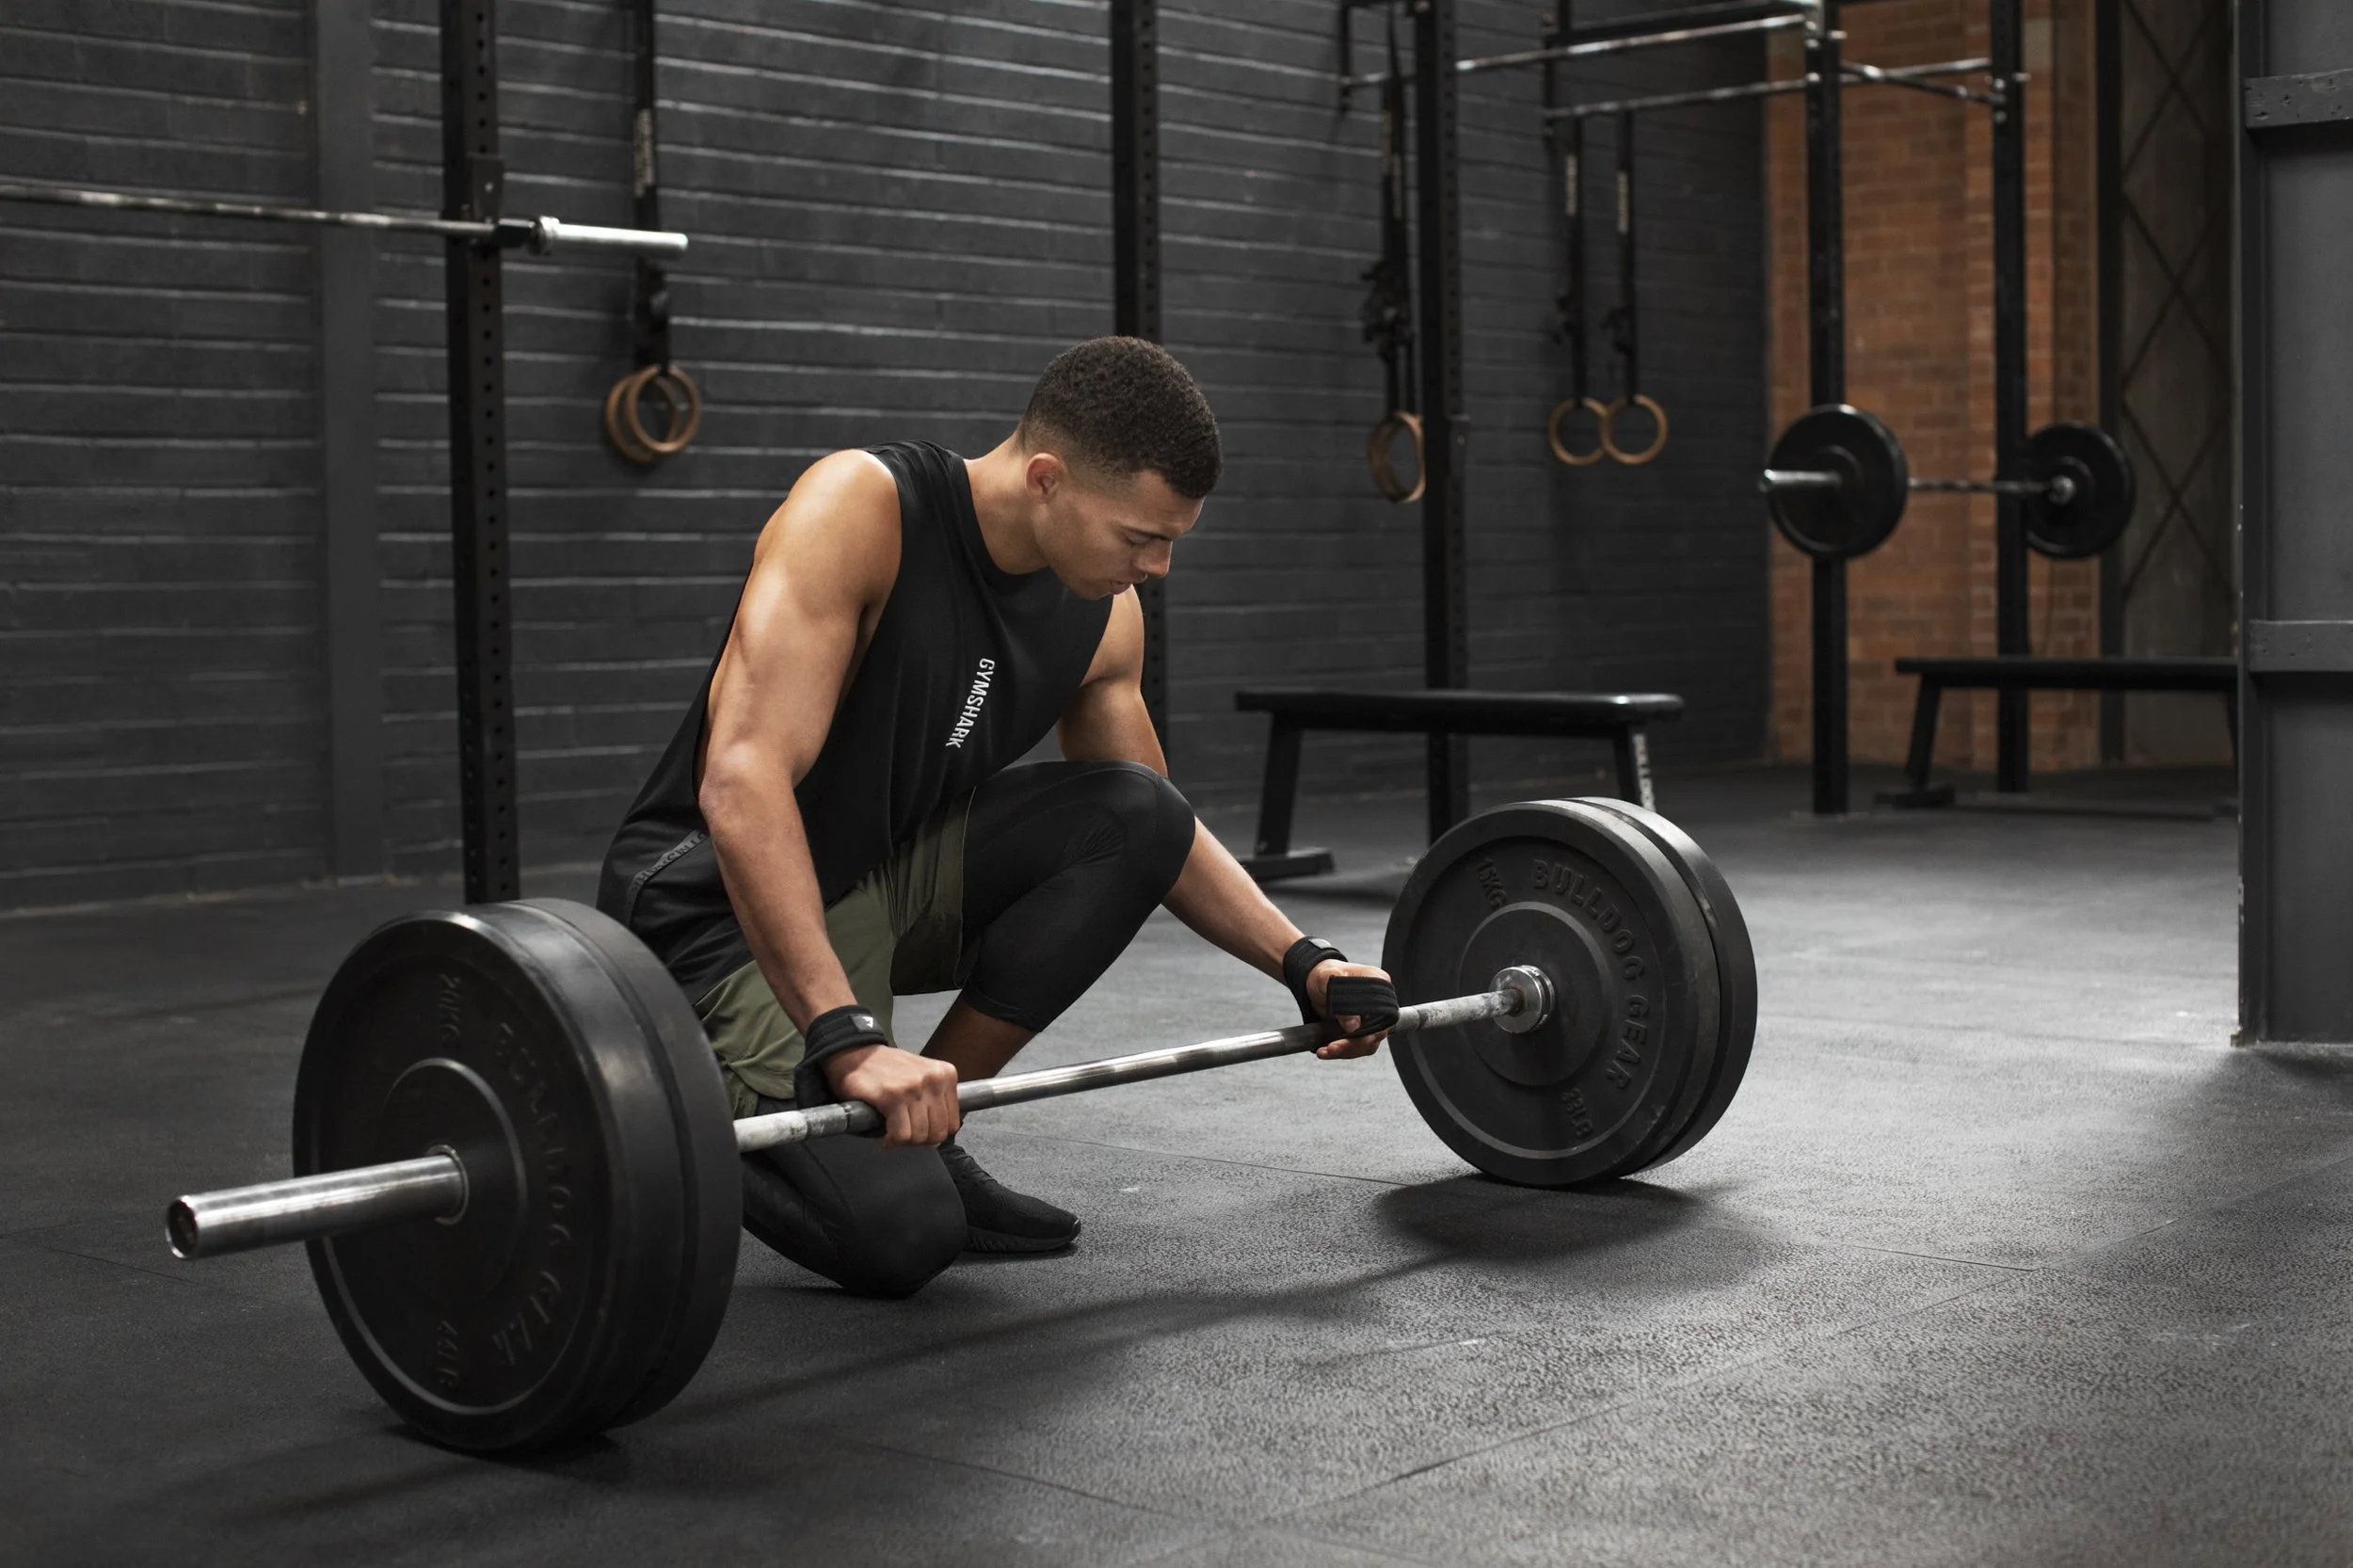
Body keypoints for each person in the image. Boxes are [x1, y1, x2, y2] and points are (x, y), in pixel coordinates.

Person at [598, 336, 1399, 1299]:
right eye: (1139, 536)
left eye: (1174, 539)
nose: (1159, 565)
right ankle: (655, 1127)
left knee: (1133, 813)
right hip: (714, 902)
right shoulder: (862, 509)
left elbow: (1160, 832)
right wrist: (845, 1036)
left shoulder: (1106, 608)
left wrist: (1304, 961)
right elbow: (741, 782)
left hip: (878, 871)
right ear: (1047, 479)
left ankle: (926, 1130)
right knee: (898, 1237)